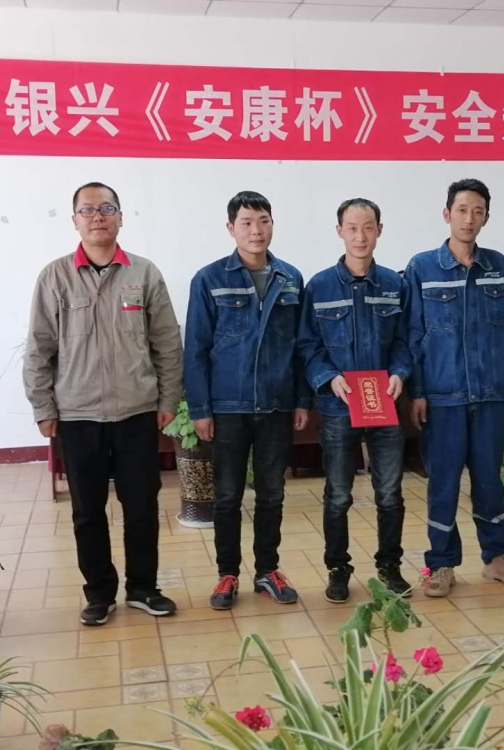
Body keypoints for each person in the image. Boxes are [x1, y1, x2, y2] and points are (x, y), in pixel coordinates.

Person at [24, 182, 182, 626]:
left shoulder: (144, 274)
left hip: (137, 411)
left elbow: (167, 343)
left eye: (107, 208)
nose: (98, 216)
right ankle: (98, 593)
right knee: (87, 511)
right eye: (88, 210)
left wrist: (168, 398)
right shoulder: (54, 277)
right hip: (77, 416)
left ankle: (143, 588)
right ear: (74, 220)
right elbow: (39, 348)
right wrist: (43, 406)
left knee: (142, 507)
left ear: (121, 217)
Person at [404, 179, 504, 597]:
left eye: (478, 211)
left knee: (489, 482)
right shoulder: (422, 268)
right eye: (462, 210)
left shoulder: (499, 267)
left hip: (491, 395)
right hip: (442, 398)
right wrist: (418, 392)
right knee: (442, 484)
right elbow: (412, 336)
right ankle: (441, 564)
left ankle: (497, 558)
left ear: (486, 218)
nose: (469, 219)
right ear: (447, 214)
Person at [184, 191, 311, 610]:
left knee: (272, 494)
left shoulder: (291, 278)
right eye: (246, 222)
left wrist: (301, 400)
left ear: (272, 224)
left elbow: (301, 346)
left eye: (263, 221)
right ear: (231, 228)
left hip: (276, 405)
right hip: (228, 407)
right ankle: (227, 574)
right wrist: (201, 409)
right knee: (226, 496)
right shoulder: (209, 279)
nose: (256, 230)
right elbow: (196, 349)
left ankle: (267, 571)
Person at [297, 198, 412, 603]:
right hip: (338, 408)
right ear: (339, 231)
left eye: (368, 228)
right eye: (352, 228)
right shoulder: (319, 286)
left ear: (379, 230)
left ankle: (389, 566)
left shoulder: (395, 286)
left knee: (390, 492)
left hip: (385, 405)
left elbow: (405, 340)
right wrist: (328, 379)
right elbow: (308, 345)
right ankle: (338, 568)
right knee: (338, 494)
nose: (360, 236)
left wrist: (400, 372)